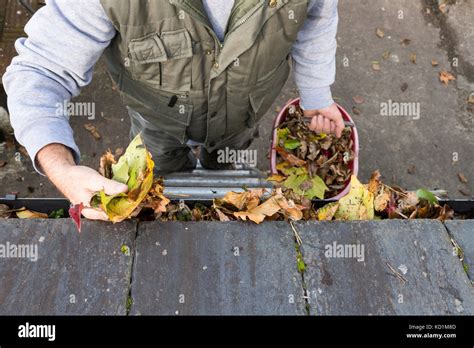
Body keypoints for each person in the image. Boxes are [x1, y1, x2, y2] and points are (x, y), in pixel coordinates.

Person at [3, 0, 343, 220]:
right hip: (156, 125)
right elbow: (40, 71)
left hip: (242, 120)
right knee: (161, 174)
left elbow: (316, 19)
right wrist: (60, 168)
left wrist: (316, 93)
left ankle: (217, 172)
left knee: (227, 171)